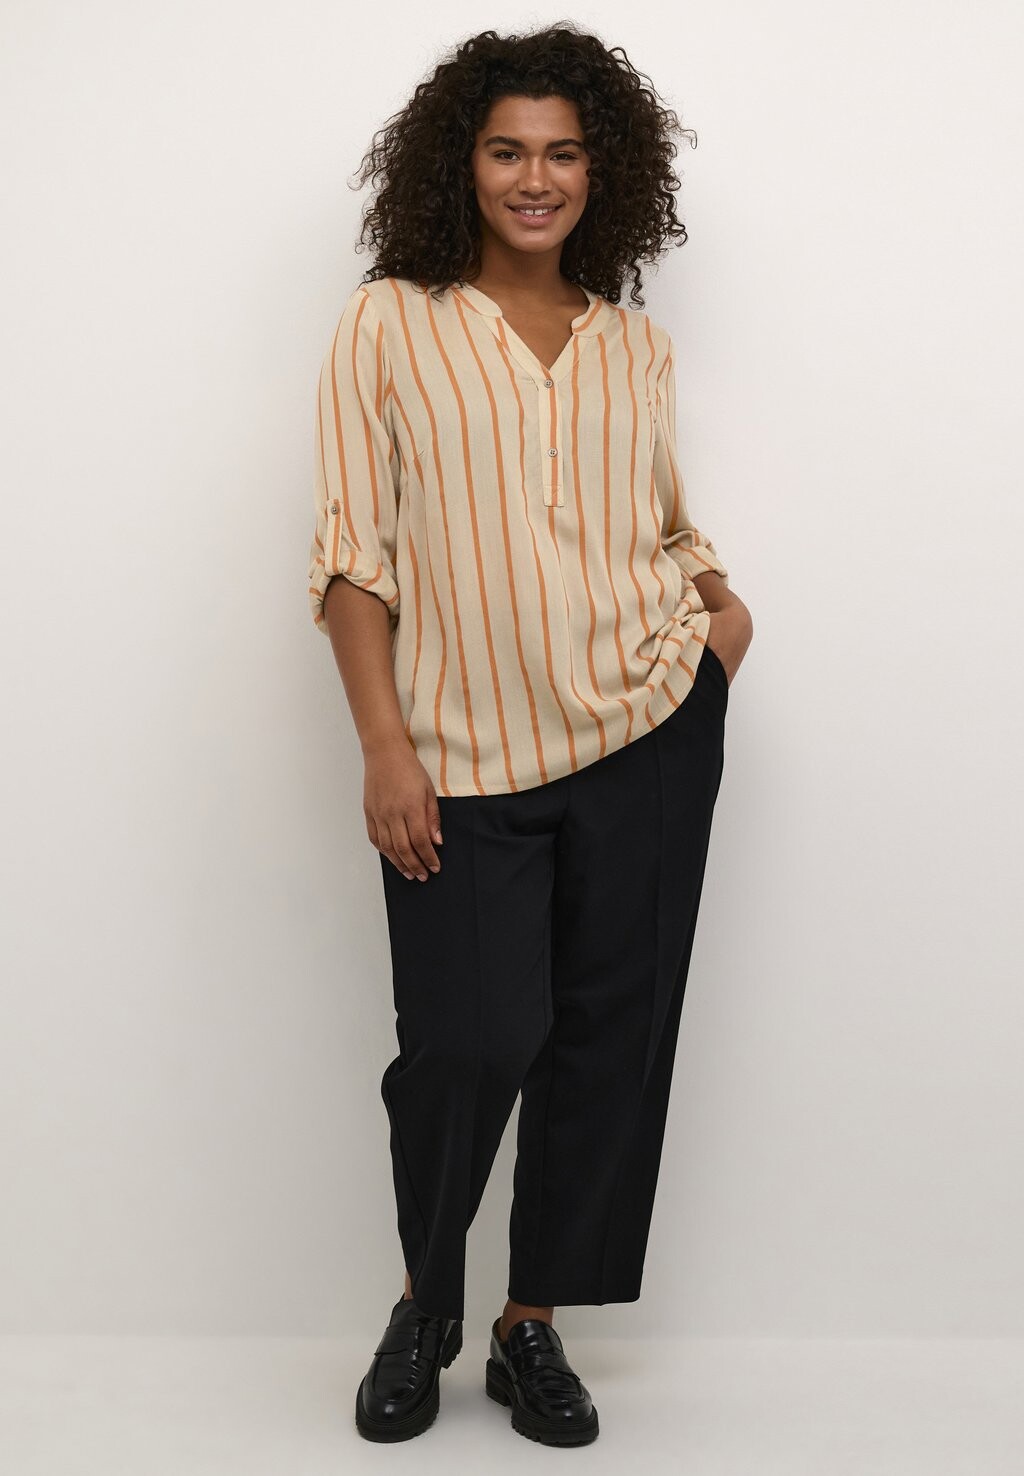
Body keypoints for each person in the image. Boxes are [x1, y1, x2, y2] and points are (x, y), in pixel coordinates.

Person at [306, 23, 753, 1448]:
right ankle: (424, 1306)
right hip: (461, 754)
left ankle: (529, 1323)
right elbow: (352, 555)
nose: (535, 177)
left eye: (563, 153)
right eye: (508, 150)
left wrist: (722, 624)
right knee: (470, 1039)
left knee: (611, 1039)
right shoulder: (391, 323)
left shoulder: (635, 347)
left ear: (602, 171)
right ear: (463, 163)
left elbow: (664, 525)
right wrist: (385, 748)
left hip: (646, 734)